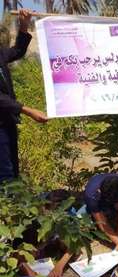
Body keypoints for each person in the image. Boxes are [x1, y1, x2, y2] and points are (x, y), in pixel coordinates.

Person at [0, 9, 48, 183]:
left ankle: (13, 207)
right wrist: (28, 111)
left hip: (7, 123)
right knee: (5, 175)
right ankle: (9, 207)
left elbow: (18, 51)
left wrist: (24, 23)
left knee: (13, 168)